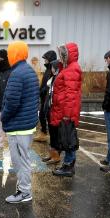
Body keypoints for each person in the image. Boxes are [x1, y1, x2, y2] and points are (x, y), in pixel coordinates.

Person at [1, 41, 39, 203]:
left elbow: (12, 102)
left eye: (10, 53)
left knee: (20, 161)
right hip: (26, 124)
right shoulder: (28, 70)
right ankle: (23, 189)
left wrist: (4, 117)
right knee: (23, 159)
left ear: (15, 54)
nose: (8, 56)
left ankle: (24, 192)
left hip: (18, 127)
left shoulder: (17, 73)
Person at [50, 43, 83, 177]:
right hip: (62, 110)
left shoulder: (72, 69)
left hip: (66, 112)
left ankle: (68, 166)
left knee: (68, 138)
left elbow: (71, 94)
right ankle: (67, 164)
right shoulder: (68, 68)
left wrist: (67, 115)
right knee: (66, 138)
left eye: (63, 54)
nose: (60, 57)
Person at [34, 50, 58, 143]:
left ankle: (51, 138)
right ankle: (43, 133)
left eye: (46, 59)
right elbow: (44, 83)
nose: (44, 61)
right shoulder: (48, 70)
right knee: (42, 115)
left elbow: (50, 85)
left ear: (50, 59)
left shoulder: (53, 71)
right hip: (44, 98)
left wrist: (43, 90)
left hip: (48, 99)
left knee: (47, 117)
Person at [41, 60, 62, 165]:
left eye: (52, 67)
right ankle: (52, 154)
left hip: (55, 111)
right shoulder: (52, 78)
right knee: (52, 134)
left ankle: (56, 155)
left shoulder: (59, 78)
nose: (51, 69)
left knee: (55, 134)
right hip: (50, 109)